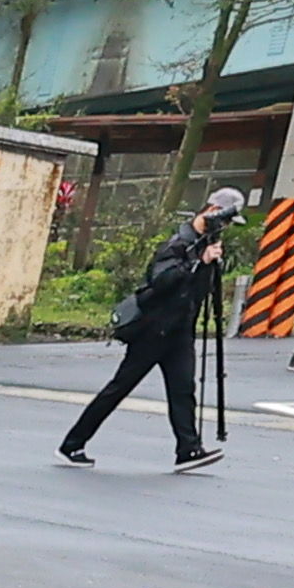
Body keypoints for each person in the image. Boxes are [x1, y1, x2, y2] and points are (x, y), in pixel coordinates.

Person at [63, 188, 237, 467]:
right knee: (119, 388)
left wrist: (211, 265)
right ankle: (72, 444)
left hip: (179, 332)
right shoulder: (178, 243)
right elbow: (161, 281)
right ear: (212, 211)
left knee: (183, 390)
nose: (226, 227)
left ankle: (188, 449)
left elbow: (199, 291)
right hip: (152, 331)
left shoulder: (205, 244)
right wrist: (198, 261)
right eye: (225, 220)